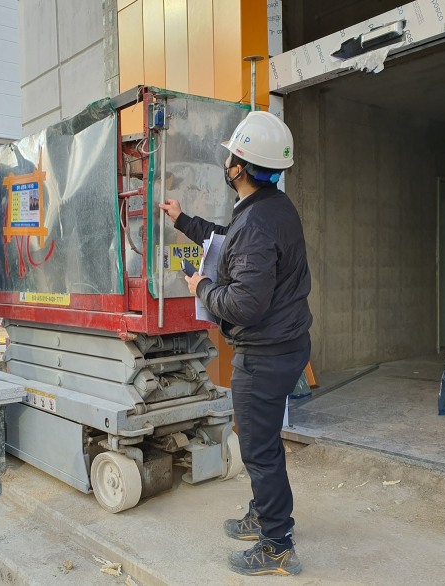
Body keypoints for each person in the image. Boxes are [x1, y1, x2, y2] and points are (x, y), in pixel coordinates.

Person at [159, 111, 312, 577]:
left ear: (240, 167)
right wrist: (183, 220)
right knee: (265, 443)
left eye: (230, 156)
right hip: (286, 345)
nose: (226, 162)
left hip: (264, 355)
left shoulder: (259, 222)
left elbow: (243, 304)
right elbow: (229, 241)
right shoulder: (270, 209)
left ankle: (277, 545)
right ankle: (266, 516)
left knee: (259, 450)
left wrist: (201, 288)